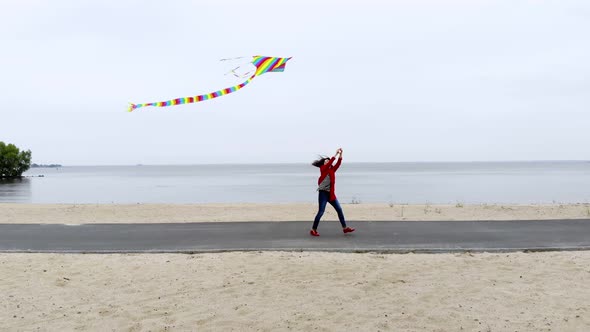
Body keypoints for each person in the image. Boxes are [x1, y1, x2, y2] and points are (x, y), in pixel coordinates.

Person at [310, 148, 355, 236]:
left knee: (339, 209)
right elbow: (330, 163)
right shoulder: (323, 169)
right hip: (323, 193)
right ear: (323, 164)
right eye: (326, 161)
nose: (327, 162)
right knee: (321, 212)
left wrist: (341, 154)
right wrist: (335, 154)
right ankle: (313, 229)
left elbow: (338, 164)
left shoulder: (332, 170)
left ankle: (345, 228)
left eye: (328, 161)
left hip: (331, 194)